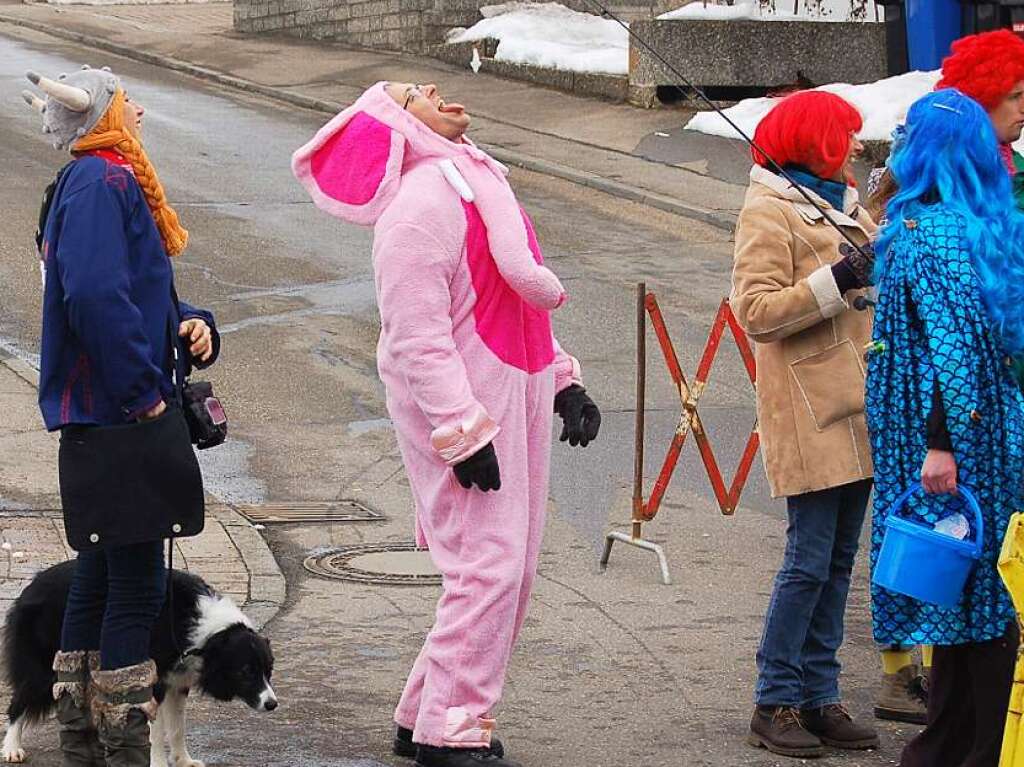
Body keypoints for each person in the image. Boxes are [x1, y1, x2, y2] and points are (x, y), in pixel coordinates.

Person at [292, 82, 600, 767]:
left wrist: (563, 380)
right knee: (487, 570)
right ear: (399, 126)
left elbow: (518, 304)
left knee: (506, 570)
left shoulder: (479, 184)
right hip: (466, 416)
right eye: (413, 93)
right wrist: (460, 431)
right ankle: (450, 730)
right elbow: (416, 334)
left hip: (509, 399)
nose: (433, 89)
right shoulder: (419, 207)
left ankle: (422, 712)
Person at [24, 66, 219, 767]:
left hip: (101, 411)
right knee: (133, 586)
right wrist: (148, 396)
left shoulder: (98, 182)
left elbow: (133, 293)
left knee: (100, 574)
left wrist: (194, 324)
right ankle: (120, 750)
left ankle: (84, 748)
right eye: (126, 97)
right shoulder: (104, 181)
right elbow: (98, 300)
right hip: (120, 414)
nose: (138, 107)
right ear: (103, 114)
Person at [866, 28, 1024, 727]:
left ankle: (959, 746)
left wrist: (943, 443)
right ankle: (956, 740)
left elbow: (956, 348)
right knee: (969, 590)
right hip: (975, 429)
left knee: (967, 585)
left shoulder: (931, 231)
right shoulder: (963, 223)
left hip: (954, 437)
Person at [731, 90, 879, 759]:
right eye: (844, 136)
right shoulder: (769, 207)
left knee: (839, 562)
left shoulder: (836, 199)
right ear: (815, 140)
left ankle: (820, 695)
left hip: (855, 404)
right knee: (807, 561)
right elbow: (756, 310)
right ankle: (776, 697)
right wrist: (839, 276)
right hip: (807, 407)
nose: (853, 147)